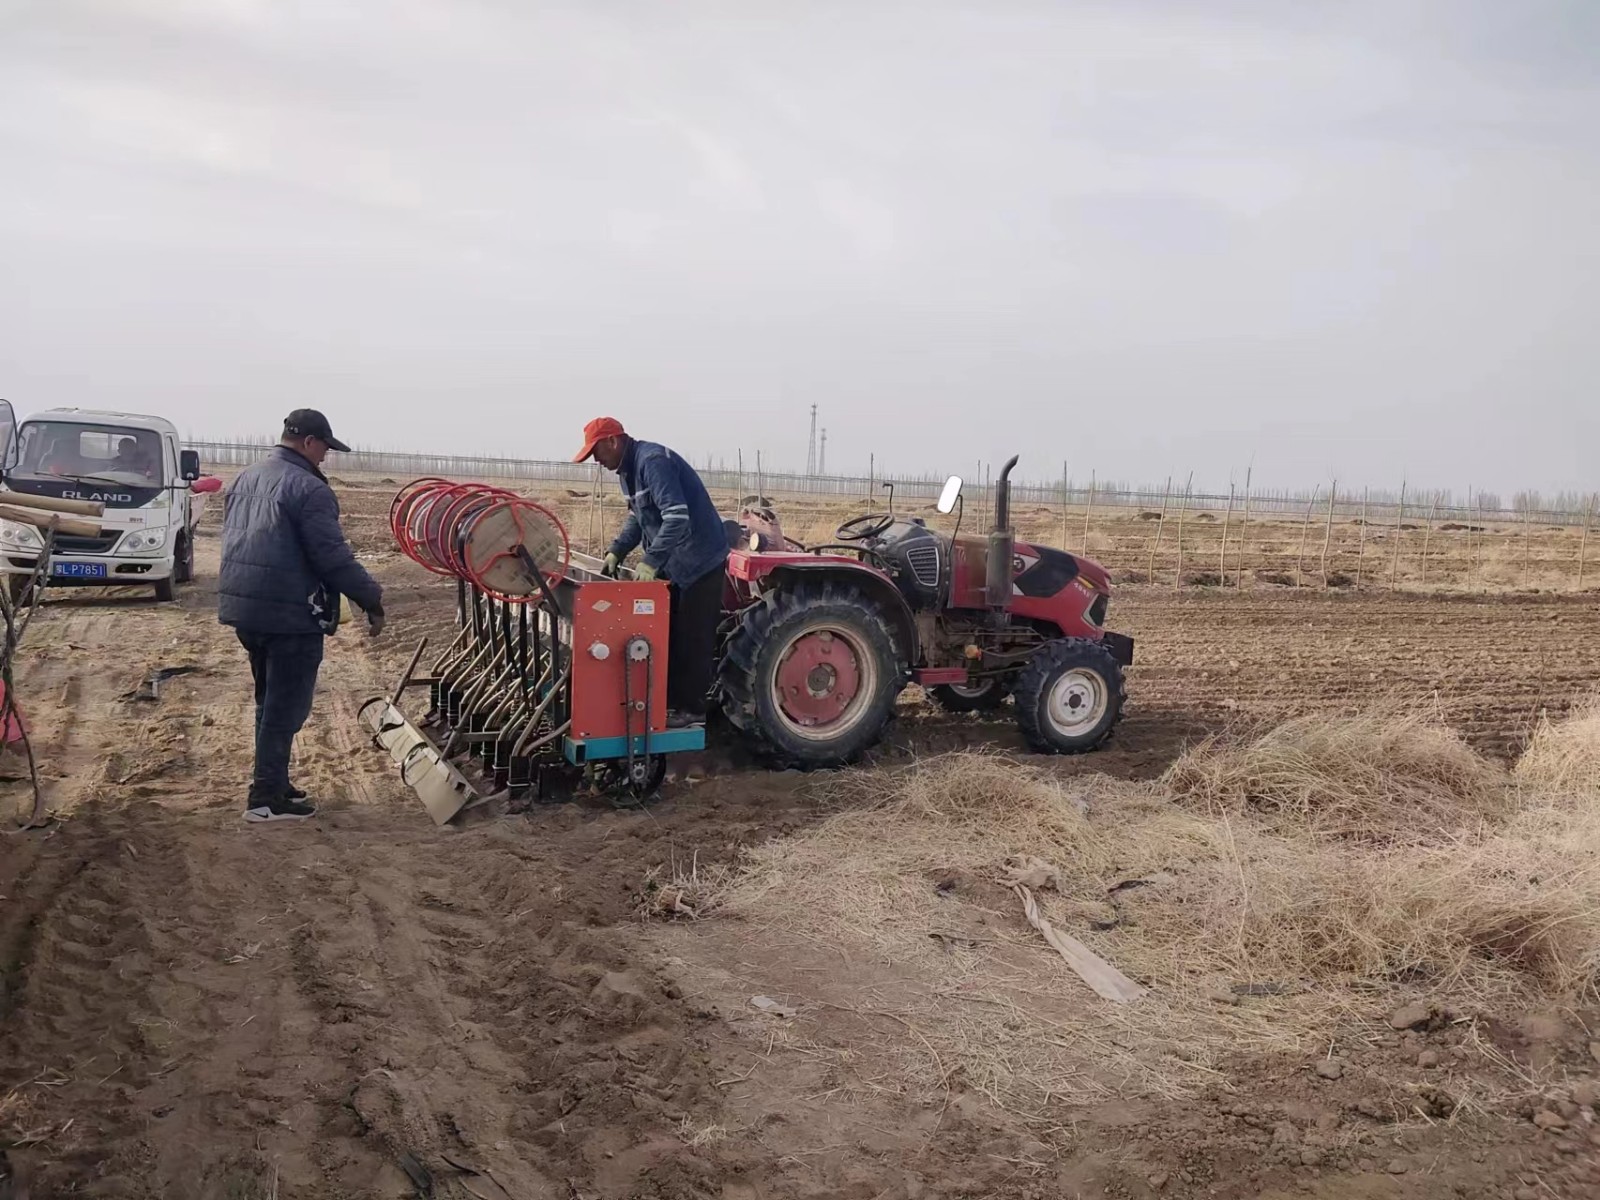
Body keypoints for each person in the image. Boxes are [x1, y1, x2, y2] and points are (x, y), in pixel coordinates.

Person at [218, 409, 385, 822]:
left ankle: (274, 783)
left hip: (247, 611)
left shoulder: (247, 476)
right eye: (325, 448)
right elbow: (332, 557)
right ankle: (264, 800)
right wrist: (371, 597)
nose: (326, 457)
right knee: (285, 709)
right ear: (309, 442)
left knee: (268, 701)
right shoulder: (309, 489)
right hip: (289, 613)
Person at [575, 417, 728, 727]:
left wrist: (651, 561)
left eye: (597, 452)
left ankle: (693, 710)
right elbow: (640, 518)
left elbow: (676, 517)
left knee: (692, 637)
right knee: (666, 633)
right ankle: (666, 701)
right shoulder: (627, 472)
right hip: (674, 561)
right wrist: (617, 550)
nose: (596, 461)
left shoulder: (653, 462)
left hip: (700, 561)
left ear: (613, 442)